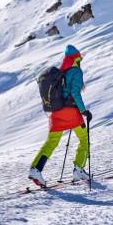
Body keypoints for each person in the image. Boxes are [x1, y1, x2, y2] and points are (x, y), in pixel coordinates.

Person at [29, 45, 93, 187]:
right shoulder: (75, 71)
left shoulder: (61, 72)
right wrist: (83, 111)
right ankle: (78, 169)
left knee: (51, 142)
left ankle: (36, 169)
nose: (80, 59)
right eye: (79, 57)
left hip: (55, 112)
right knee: (84, 138)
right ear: (75, 58)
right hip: (70, 113)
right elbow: (75, 93)